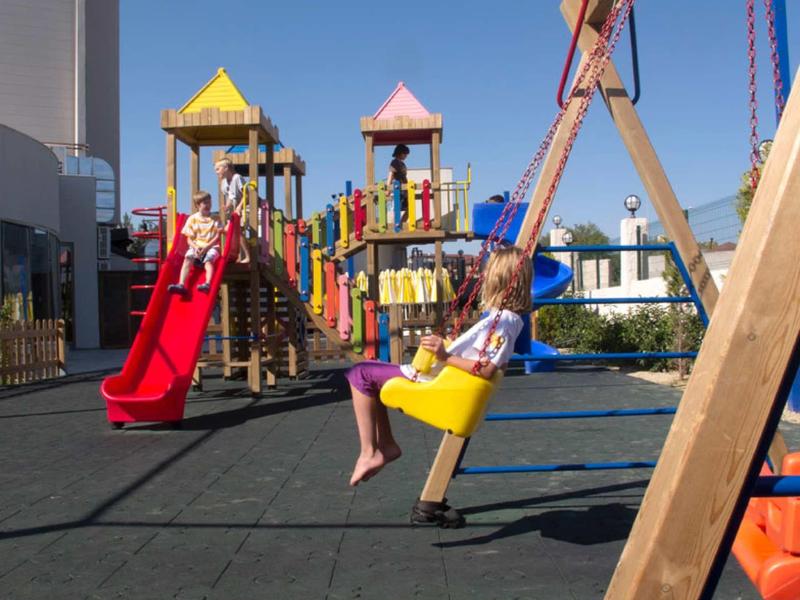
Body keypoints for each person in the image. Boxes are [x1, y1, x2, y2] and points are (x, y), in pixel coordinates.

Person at [344, 245, 533, 486]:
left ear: (499, 280)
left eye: (488, 273)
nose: (483, 277)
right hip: (442, 375)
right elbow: (482, 357)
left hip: (435, 380)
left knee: (360, 374)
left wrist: (444, 355)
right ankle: (386, 445)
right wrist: (450, 347)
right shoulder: (508, 319)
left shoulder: (503, 321)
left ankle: (370, 452)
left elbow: (486, 369)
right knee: (370, 375)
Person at [168, 191, 221, 294]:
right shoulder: (192, 219)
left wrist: (207, 247)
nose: (208, 205)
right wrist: (196, 247)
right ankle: (181, 284)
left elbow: (217, 236)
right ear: (198, 205)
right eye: (205, 203)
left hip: (212, 247)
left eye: (209, 202)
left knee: (209, 260)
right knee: (187, 258)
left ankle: (207, 283)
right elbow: (189, 239)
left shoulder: (215, 218)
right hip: (196, 247)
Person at [214, 157, 250, 263]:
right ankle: (235, 254)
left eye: (218, 169)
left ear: (225, 168)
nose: (216, 172)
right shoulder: (224, 183)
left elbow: (246, 195)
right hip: (234, 211)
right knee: (226, 230)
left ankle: (247, 256)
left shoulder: (237, 178)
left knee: (238, 230)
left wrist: (239, 207)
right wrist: (227, 206)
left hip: (245, 209)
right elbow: (231, 196)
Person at [387, 144, 410, 221]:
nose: (406, 156)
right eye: (405, 153)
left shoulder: (402, 163)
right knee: (397, 210)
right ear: (400, 153)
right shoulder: (394, 162)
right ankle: (395, 225)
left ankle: (400, 224)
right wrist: (388, 189)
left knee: (409, 209)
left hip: (404, 190)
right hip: (398, 190)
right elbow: (391, 175)